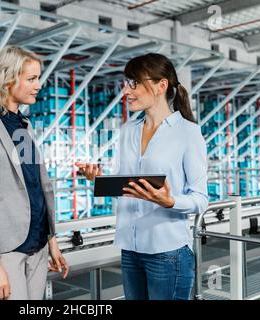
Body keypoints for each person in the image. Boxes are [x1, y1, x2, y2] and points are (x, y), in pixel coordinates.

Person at [76, 53, 208, 300]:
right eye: (127, 83)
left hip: (167, 253)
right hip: (130, 248)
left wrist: (170, 201)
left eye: (134, 83)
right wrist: (99, 180)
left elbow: (201, 198)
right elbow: (126, 183)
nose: (127, 91)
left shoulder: (188, 133)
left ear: (161, 86)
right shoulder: (128, 131)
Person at [0, 45, 69, 300]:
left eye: (38, 78)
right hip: (6, 250)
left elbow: (37, 186)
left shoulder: (23, 126)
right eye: (31, 79)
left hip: (39, 245)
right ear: (9, 79)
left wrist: (51, 240)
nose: (38, 85)